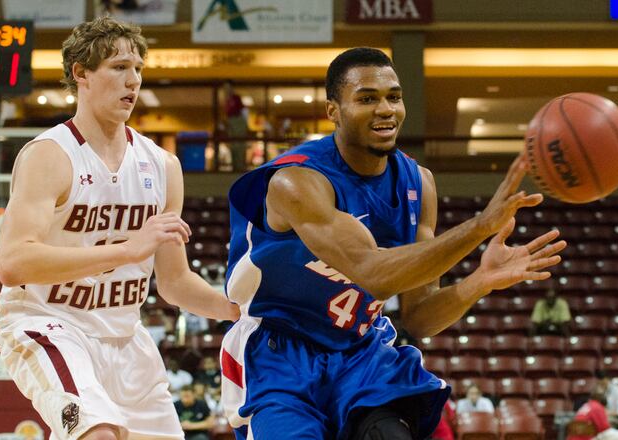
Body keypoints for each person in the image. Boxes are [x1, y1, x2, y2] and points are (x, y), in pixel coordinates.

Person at [219, 47, 565, 439]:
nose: (386, 109)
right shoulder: (295, 181)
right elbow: (373, 275)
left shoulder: (420, 183)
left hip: (361, 351)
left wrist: (479, 281)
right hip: (280, 351)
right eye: (367, 98)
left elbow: (420, 318)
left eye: (394, 97)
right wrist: (480, 226)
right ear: (334, 110)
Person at [0, 17, 238, 440]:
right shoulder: (49, 155)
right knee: (99, 433)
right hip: (50, 323)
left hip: (125, 336)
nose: (133, 80)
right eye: (119, 67)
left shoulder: (163, 166)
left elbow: (175, 284)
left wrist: (241, 312)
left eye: (138, 68)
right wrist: (127, 250)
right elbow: (13, 263)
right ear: (81, 73)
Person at [222, 80, 249, 172]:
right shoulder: (226, 101)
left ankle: (240, 167)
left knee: (239, 147)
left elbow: (242, 112)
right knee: (233, 147)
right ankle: (235, 167)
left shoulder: (236, 99)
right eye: (225, 88)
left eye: (228, 87)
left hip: (238, 123)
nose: (226, 90)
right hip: (232, 125)